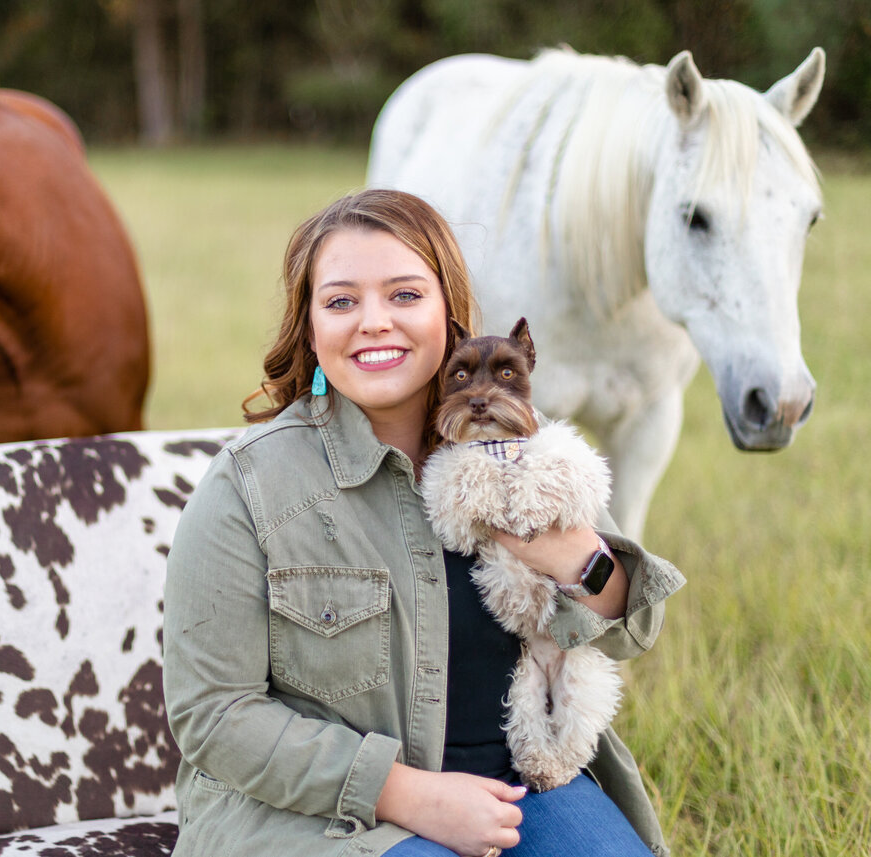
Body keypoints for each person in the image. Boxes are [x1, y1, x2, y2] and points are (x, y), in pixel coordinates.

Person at [163, 189, 684, 857]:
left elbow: (634, 627)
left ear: (450, 313)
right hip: (320, 815)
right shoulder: (248, 487)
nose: (374, 321)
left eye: (405, 295)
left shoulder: (529, 450)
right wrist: (410, 795)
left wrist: (577, 558)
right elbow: (215, 715)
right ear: (310, 327)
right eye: (342, 300)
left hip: (520, 783)